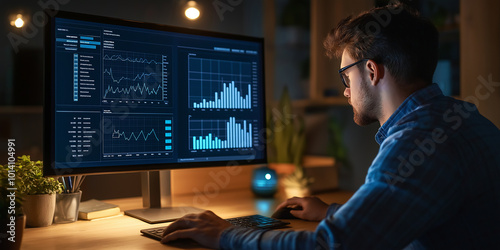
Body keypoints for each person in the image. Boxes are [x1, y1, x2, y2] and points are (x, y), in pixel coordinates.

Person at [161, 4, 500, 249]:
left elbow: (331, 246)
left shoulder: (417, 141)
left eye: (345, 75)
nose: (345, 90)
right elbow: (410, 212)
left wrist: (224, 234)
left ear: (372, 71)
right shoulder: (460, 118)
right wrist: (334, 212)